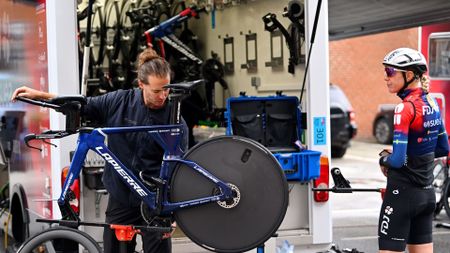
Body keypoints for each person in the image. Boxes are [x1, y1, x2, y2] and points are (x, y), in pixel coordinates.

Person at [11, 48, 185, 253]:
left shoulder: (175, 120)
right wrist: (39, 95)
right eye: (156, 91)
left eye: (166, 89)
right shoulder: (120, 101)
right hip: (121, 197)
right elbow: (81, 105)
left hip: (156, 201)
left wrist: (174, 213)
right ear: (140, 85)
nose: (163, 96)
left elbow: (180, 171)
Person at [378, 47, 449, 253]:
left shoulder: (404, 108)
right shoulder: (433, 102)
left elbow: (398, 161)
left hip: (402, 196)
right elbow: (443, 148)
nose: (386, 77)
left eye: (390, 72)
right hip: (427, 197)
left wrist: (383, 159)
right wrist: (416, 157)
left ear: (408, 75)